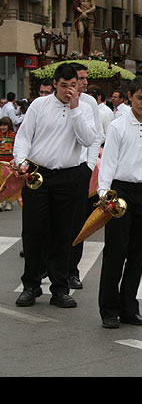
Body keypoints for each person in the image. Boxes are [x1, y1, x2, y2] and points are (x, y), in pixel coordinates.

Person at [13, 62, 96, 308]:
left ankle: (60, 288)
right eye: (64, 86)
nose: (69, 90)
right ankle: (31, 285)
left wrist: (74, 109)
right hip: (39, 175)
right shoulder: (39, 105)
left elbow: (88, 139)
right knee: (34, 231)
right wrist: (20, 161)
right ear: (55, 85)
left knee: (64, 233)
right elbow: (24, 137)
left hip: (68, 176)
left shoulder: (84, 107)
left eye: (73, 86)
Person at [97, 76, 142, 328]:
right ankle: (109, 309)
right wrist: (104, 194)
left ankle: (129, 307)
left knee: (137, 255)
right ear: (130, 97)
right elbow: (108, 163)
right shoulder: (117, 127)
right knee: (115, 252)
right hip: (121, 192)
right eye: (139, 97)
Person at [67, 62, 103, 290]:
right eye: (81, 78)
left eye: (85, 79)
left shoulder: (89, 103)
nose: (84, 82)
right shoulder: (51, 103)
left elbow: (95, 136)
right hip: (58, 169)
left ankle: (72, 270)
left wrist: (89, 166)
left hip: (81, 170)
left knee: (77, 223)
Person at [0, 116, 16, 211]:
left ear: (9, 126)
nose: (2, 127)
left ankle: (9, 202)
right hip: (0, 162)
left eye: (5, 125)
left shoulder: (13, 135)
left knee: (10, 183)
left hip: (9, 163)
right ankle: (1, 201)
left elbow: (16, 148)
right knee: (1, 183)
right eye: (1, 125)